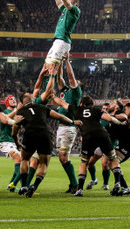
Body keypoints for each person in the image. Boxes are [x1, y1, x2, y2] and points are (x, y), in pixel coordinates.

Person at [13, 92, 81, 197]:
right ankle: (34, 186)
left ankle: (24, 186)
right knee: (43, 163)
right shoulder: (41, 107)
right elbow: (59, 116)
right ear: (32, 99)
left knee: (25, 159)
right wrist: (72, 122)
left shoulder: (20, 112)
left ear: (21, 102)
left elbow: (14, 131)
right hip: (44, 135)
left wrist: (17, 142)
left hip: (29, 135)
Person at [54, 95, 124, 197]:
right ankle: (117, 183)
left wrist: (53, 97)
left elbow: (62, 103)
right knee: (113, 158)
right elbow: (108, 118)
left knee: (84, 162)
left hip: (87, 135)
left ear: (81, 103)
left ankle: (80, 189)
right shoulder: (95, 110)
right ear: (92, 104)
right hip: (101, 134)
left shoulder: (77, 109)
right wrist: (119, 123)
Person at [55, 53, 82, 194]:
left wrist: (66, 61)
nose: (72, 81)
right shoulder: (64, 91)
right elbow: (60, 79)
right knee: (61, 158)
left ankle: (75, 184)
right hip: (61, 127)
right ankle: (73, 184)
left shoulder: (76, 92)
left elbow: (70, 76)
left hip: (68, 127)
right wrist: (58, 63)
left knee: (64, 157)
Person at [45, 0, 80, 71]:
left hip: (63, 41)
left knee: (52, 67)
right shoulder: (64, 10)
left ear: (75, 3)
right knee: (46, 66)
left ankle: (51, 86)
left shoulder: (75, 11)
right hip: (57, 41)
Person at [107, 100, 130, 197]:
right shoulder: (109, 121)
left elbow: (124, 117)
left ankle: (118, 184)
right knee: (110, 163)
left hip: (128, 144)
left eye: (112, 103)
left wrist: (112, 117)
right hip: (122, 145)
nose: (109, 104)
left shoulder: (119, 113)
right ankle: (124, 187)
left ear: (116, 107)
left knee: (114, 160)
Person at [0, 95, 23, 192]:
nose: (14, 100)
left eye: (14, 99)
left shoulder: (16, 113)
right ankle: (22, 185)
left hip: (12, 142)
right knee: (18, 158)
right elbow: (4, 119)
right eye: (11, 99)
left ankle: (12, 185)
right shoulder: (4, 112)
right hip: (5, 142)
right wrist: (16, 111)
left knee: (22, 162)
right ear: (7, 102)